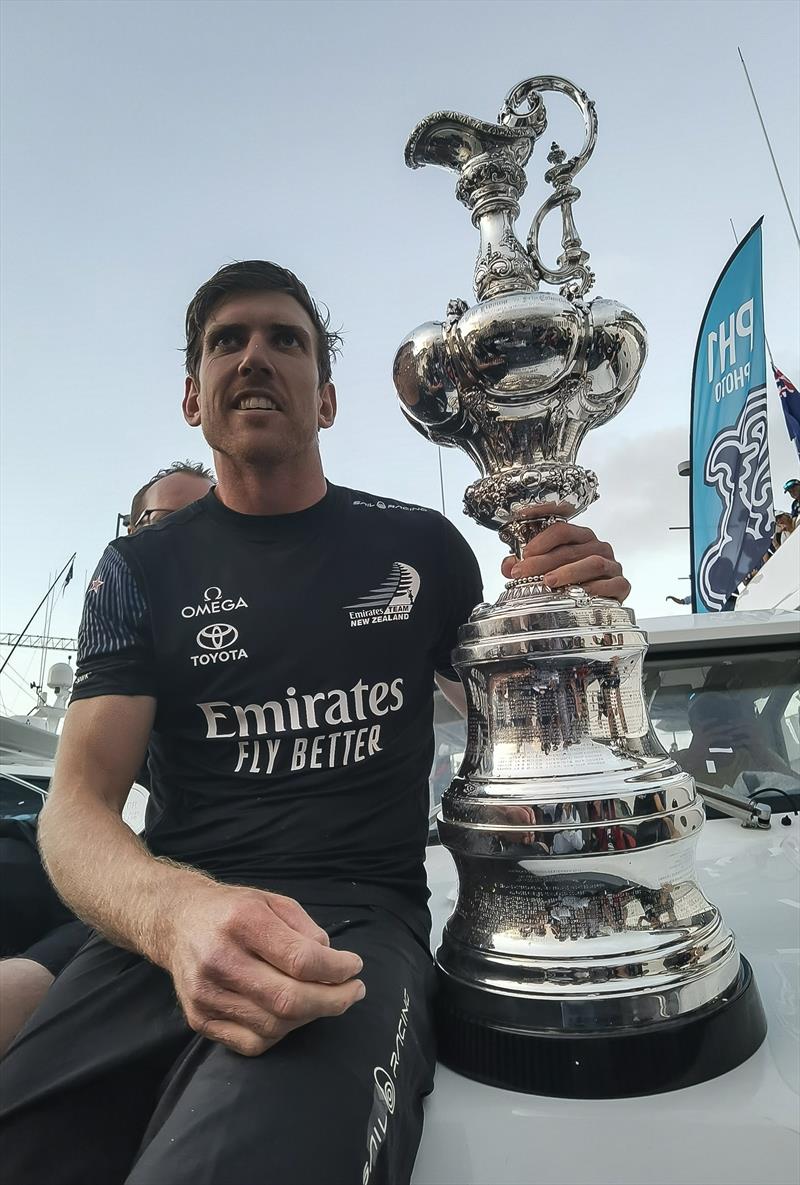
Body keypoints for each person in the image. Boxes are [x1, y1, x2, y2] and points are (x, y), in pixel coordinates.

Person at [0, 261, 630, 1185]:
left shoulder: (419, 548)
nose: (255, 355)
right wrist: (178, 916)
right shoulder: (138, 570)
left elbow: (523, 721)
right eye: (228, 341)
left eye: (285, 339)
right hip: (163, 928)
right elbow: (77, 806)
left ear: (327, 400)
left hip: (354, 926)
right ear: (192, 396)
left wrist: (571, 619)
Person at [0, 463, 215, 1057]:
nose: (184, 539)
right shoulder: (116, 647)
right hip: (75, 852)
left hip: (157, 877)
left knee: (48, 971)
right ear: (130, 529)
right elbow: (80, 801)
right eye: (164, 523)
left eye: (206, 521)